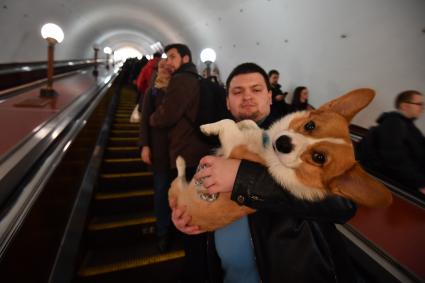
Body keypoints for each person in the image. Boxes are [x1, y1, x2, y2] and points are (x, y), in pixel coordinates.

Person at [171, 63, 357, 283]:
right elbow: (209, 205)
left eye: (256, 89)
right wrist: (189, 216)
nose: (247, 96)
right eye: (237, 92)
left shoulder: (298, 141)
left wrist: (242, 179)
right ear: (227, 102)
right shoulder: (218, 147)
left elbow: (344, 203)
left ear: (269, 96)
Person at [149, 43, 211, 282]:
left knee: (190, 212)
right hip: (197, 150)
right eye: (167, 57)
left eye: (173, 56)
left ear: (185, 58)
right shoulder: (196, 78)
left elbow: (168, 114)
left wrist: (154, 117)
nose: (169, 61)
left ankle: (196, 268)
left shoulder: (183, 79)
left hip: (187, 154)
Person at [357, 90, 425, 195]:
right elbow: (394, 157)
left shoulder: (410, 128)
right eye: (419, 104)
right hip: (390, 187)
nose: (422, 108)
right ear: (404, 106)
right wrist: (419, 183)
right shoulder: (394, 123)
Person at [139, 59, 173, 252]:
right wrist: (144, 146)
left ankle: (176, 225)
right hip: (159, 150)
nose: (165, 69)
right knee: (161, 191)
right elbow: (144, 120)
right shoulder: (152, 91)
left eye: (169, 67)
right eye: (162, 66)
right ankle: (162, 231)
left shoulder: (178, 89)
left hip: (177, 148)